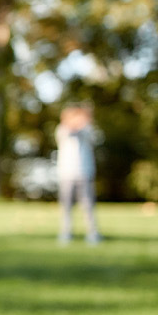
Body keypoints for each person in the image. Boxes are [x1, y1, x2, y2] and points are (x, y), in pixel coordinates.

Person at [56, 104, 101, 244]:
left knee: (88, 205)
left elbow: (93, 136)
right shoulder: (62, 130)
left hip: (85, 172)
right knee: (66, 206)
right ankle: (66, 232)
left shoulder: (88, 130)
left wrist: (84, 122)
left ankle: (92, 233)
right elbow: (68, 132)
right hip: (66, 173)